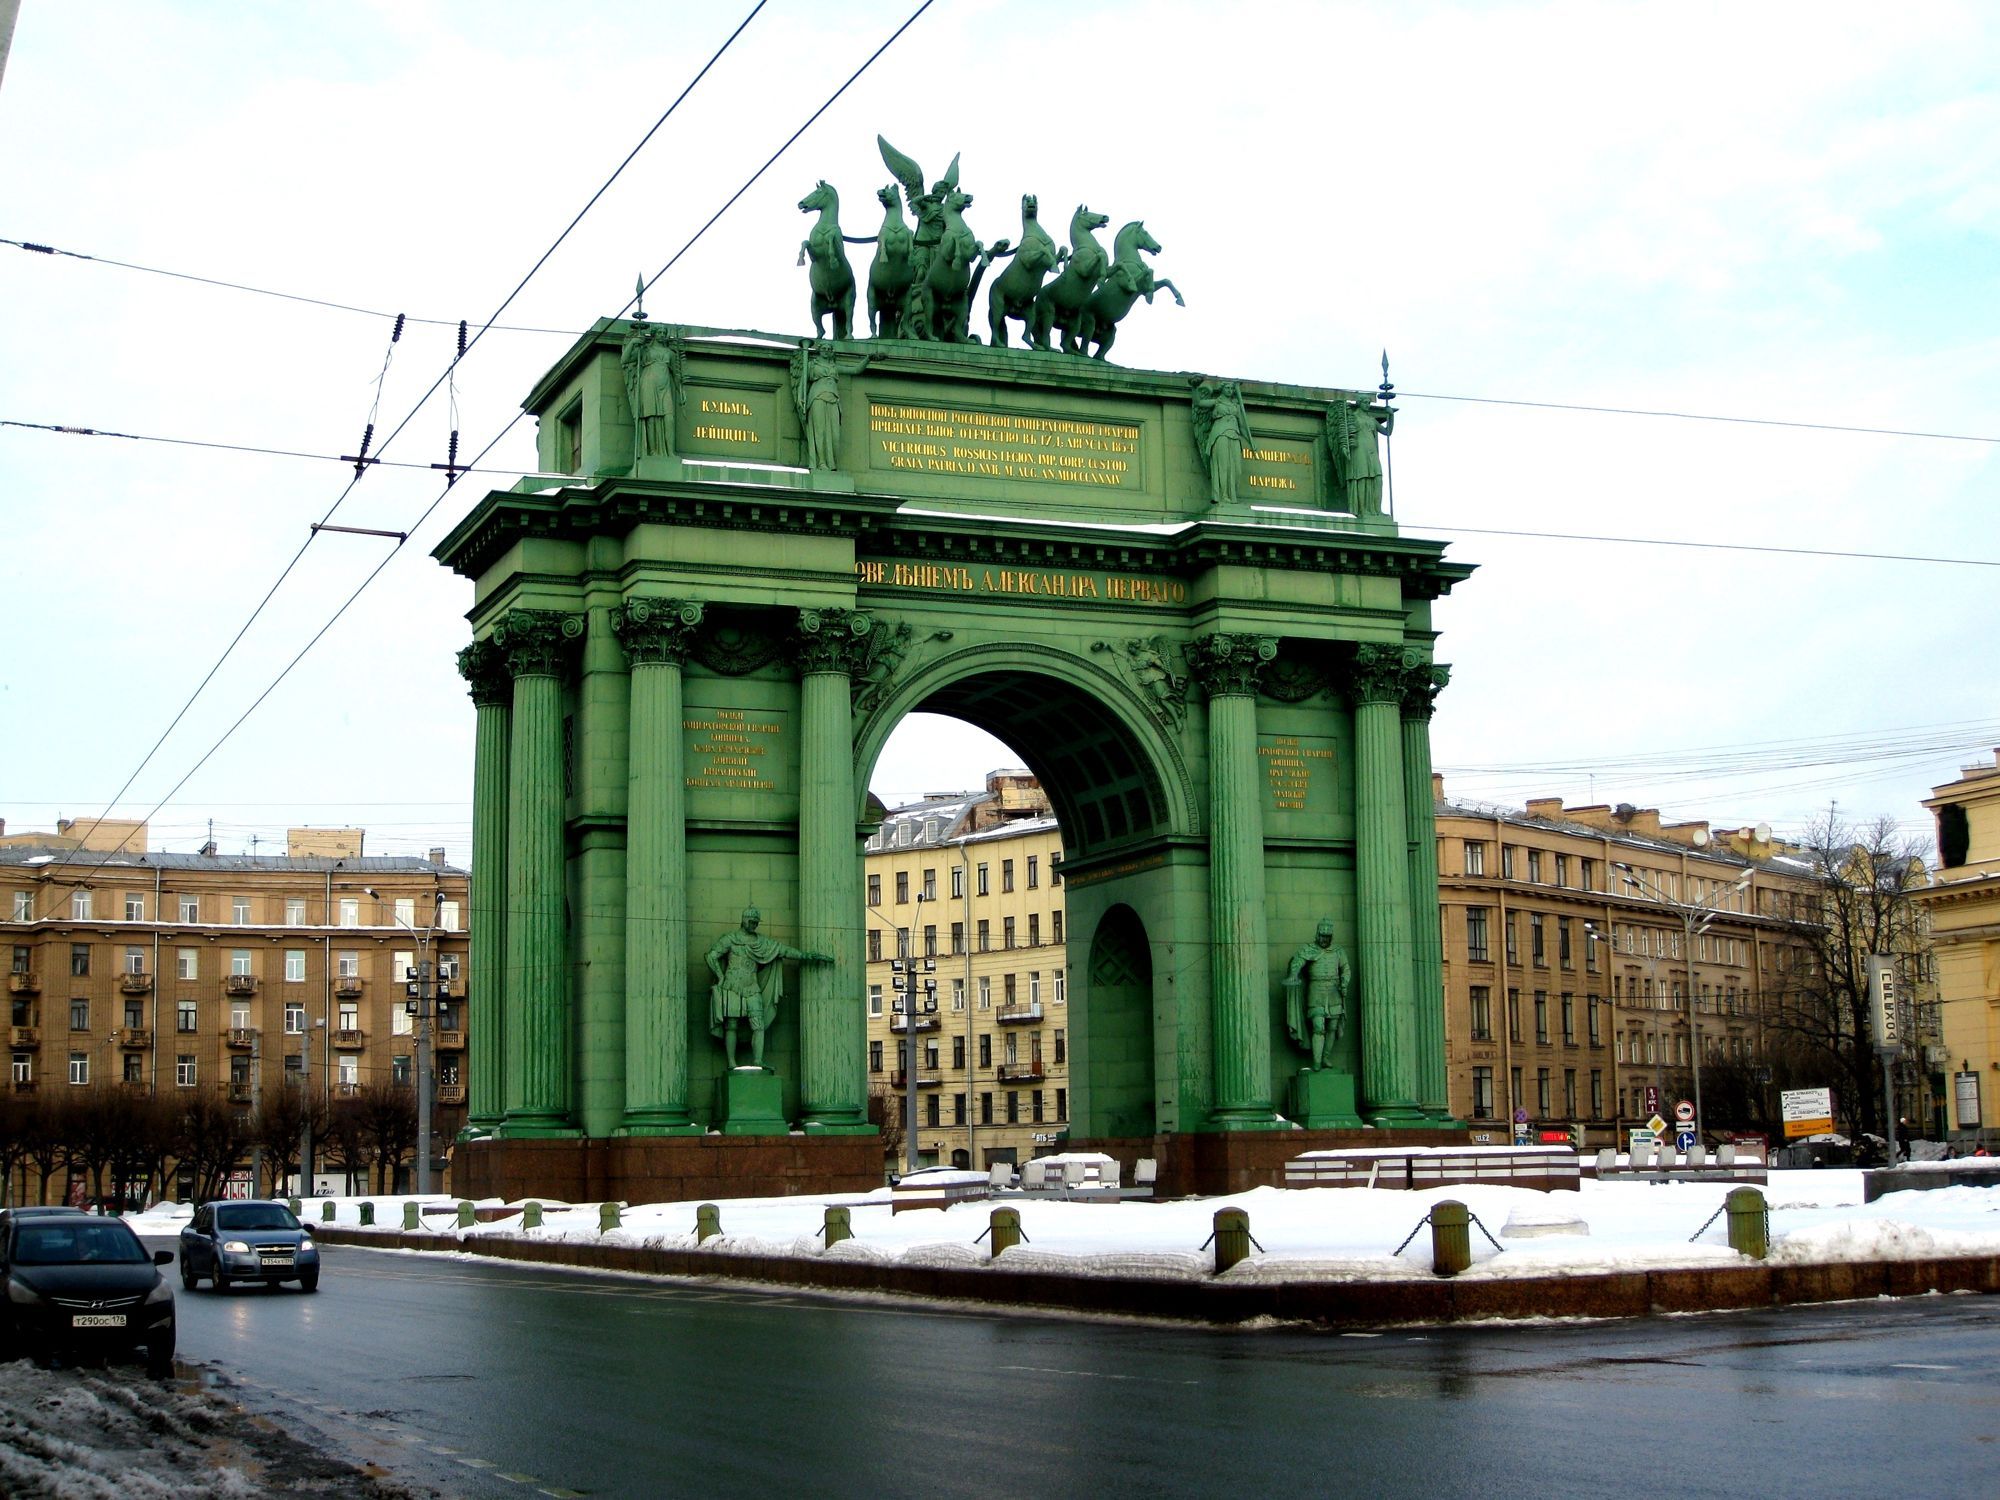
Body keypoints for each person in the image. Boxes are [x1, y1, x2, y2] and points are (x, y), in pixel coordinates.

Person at [706, 907, 831, 1069]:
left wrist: (805, 955)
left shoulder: (761, 942)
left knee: (758, 1025)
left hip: (752, 987)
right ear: (744, 920)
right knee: (731, 1024)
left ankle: (758, 1060)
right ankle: (731, 1062)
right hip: (731, 986)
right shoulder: (730, 939)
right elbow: (711, 956)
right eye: (752, 922)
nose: (754, 925)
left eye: (756, 923)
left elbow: (783, 950)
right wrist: (720, 977)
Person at [1283, 918, 1352, 1071]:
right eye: (1322, 936)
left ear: (1331, 937)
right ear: (1317, 935)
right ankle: (1317, 1061)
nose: (1324, 939)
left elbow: (1346, 969)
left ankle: (1325, 1057)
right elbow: (1297, 961)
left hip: (1334, 991)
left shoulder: (1338, 951)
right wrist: (1294, 973)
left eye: (1327, 937)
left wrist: (1344, 982)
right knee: (1318, 1026)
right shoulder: (1308, 949)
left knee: (1332, 1026)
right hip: (1316, 991)